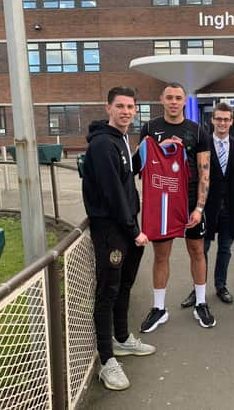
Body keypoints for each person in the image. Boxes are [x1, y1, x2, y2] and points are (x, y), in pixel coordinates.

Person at [82, 86, 155, 391]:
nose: (126, 111)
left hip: (126, 227)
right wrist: (133, 230)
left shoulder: (122, 139)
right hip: (112, 230)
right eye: (120, 106)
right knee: (107, 291)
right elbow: (112, 193)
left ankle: (122, 338)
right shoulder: (102, 144)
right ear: (108, 108)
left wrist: (147, 152)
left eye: (131, 107)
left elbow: (126, 177)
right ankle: (106, 361)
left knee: (124, 284)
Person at [138, 82, 216, 332]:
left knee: (197, 252)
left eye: (178, 98)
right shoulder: (149, 128)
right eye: (169, 97)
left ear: (185, 101)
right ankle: (159, 308)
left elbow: (205, 172)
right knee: (161, 255)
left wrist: (199, 208)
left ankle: (201, 303)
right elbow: (143, 166)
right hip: (163, 201)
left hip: (191, 201)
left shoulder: (198, 130)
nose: (173, 101)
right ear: (162, 99)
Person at [181, 103, 234, 306]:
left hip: (231, 208)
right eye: (219, 119)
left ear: (231, 121)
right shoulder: (203, 143)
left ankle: (220, 286)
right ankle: (197, 290)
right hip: (207, 207)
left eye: (226, 119)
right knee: (201, 250)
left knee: (225, 249)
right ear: (212, 120)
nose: (223, 123)